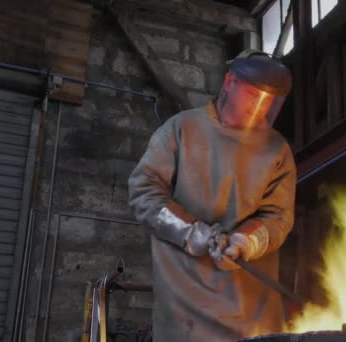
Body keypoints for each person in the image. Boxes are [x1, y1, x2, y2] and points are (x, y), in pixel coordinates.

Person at [127, 49, 297, 342]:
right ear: (230, 82)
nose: (258, 106)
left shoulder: (276, 150)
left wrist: (247, 241)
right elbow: (144, 192)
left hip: (253, 313)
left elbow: (278, 216)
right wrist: (192, 232)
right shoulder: (182, 129)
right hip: (186, 310)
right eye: (252, 94)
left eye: (267, 100)